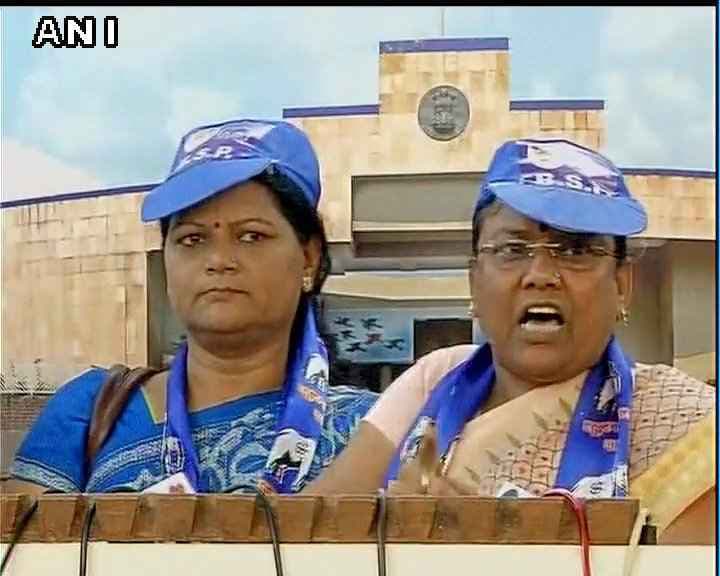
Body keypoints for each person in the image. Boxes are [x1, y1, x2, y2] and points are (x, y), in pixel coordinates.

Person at [306, 138, 715, 544]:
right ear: (474, 282)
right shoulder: (437, 377)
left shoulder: (688, 422)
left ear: (622, 285)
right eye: (512, 249)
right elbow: (305, 533)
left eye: (575, 250)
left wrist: (481, 547)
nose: (541, 275)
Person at [6, 119, 377, 494]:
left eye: (251, 236)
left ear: (309, 258)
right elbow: (23, 532)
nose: (218, 260)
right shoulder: (89, 410)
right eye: (192, 239)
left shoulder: (378, 434)